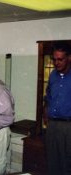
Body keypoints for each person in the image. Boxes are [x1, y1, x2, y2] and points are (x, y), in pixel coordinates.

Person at [44, 42, 71, 175]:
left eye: (60, 59)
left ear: (69, 58)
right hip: (53, 125)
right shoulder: (53, 75)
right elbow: (48, 96)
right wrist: (46, 113)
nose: (56, 63)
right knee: (53, 164)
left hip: (69, 126)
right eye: (54, 59)